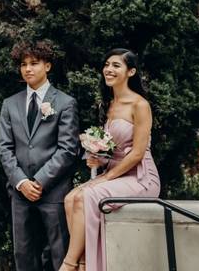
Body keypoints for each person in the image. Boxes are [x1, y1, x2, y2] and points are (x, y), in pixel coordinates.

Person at [60, 49, 160, 271]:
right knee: (70, 199)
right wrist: (98, 159)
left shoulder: (140, 105)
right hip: (114, 174)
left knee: (87, 195)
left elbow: (137, 153)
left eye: (116, 65)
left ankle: (69, 264)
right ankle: (85, 262)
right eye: (107, 64)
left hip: (141, 177)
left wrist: (105, 178)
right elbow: (113, 150)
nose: (109, 69)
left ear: (131, 72)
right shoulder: (108, 104)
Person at [0, 41, 80, 271]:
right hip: (20, 191)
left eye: (34, 63)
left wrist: (40, 181)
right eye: (23, 64)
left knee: (58, 250)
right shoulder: (9, 104)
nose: (28, 69)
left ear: (48, 66)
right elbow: (4, 148)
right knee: (23, 252)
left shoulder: (65, 103)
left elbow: (67, 149)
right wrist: (22, 182)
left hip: (53, 190)